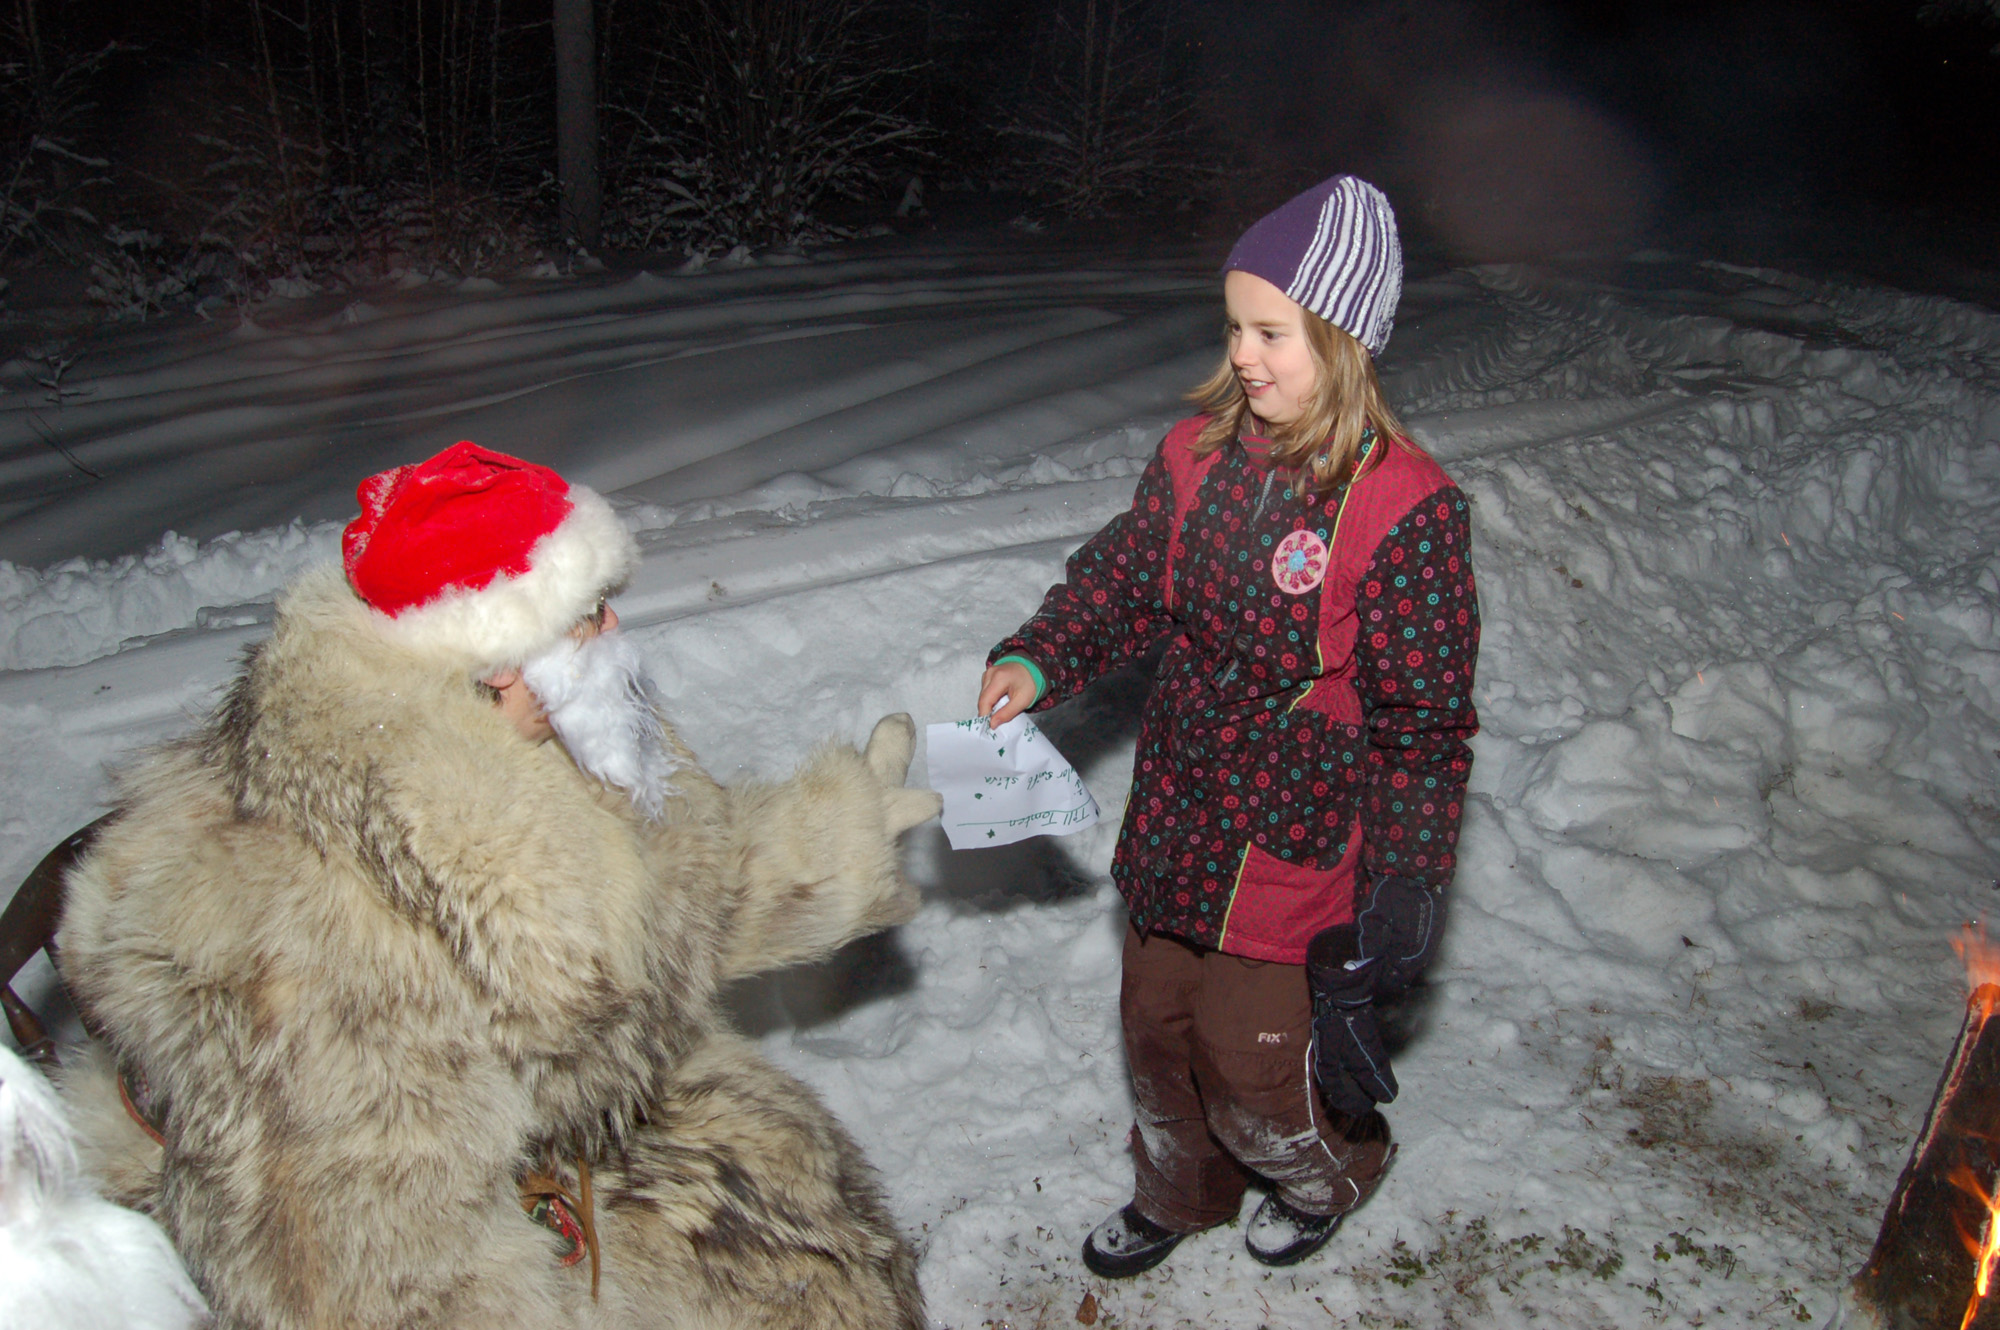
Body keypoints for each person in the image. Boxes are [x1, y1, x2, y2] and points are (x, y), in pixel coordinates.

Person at [55, 441, 941, 1329]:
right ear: (499, 655)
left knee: (790, 1175)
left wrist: (835, 836)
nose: (613, 635)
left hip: (518, 1135)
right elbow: (353, 1274)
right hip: (386, 1249)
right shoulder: (337, 941)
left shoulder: (511, 744)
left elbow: (664, 903)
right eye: (590, 613)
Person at [977, 176, 1479, 1276]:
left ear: (1343, 338)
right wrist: (1038, 653)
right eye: (1234, 327)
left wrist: (1403, 882)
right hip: (1177, 810)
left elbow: (1422, 724)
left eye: (1271, 331)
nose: (1244, 356)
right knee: (1155, 1037)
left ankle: (1327, 1171)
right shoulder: (1196, 458)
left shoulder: (1404, 509)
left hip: (1290, 838)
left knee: (1251, 1064)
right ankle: (1178, 1187)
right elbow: (1120, 582)